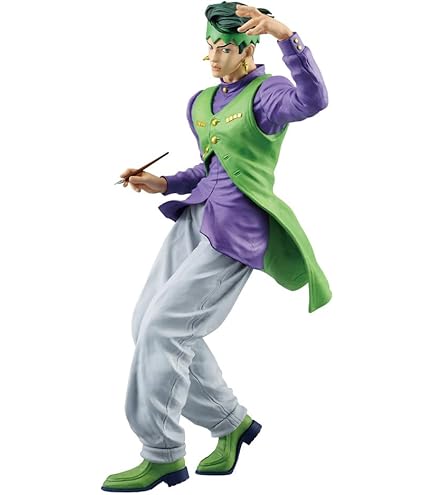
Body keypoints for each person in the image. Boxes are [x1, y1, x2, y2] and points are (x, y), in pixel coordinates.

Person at [101, 1, 331, 492]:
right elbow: (212, 168)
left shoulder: (267, 95)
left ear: (247, 50)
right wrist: (162, 183)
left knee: (164, 328)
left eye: (225, 47)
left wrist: (286, 36)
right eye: (210, 46)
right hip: (196, 217)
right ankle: (231, 423)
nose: (214, 56)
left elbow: (313, 100)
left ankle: (162, 454)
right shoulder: (201, 102)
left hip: (236, 230)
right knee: (146, 324)